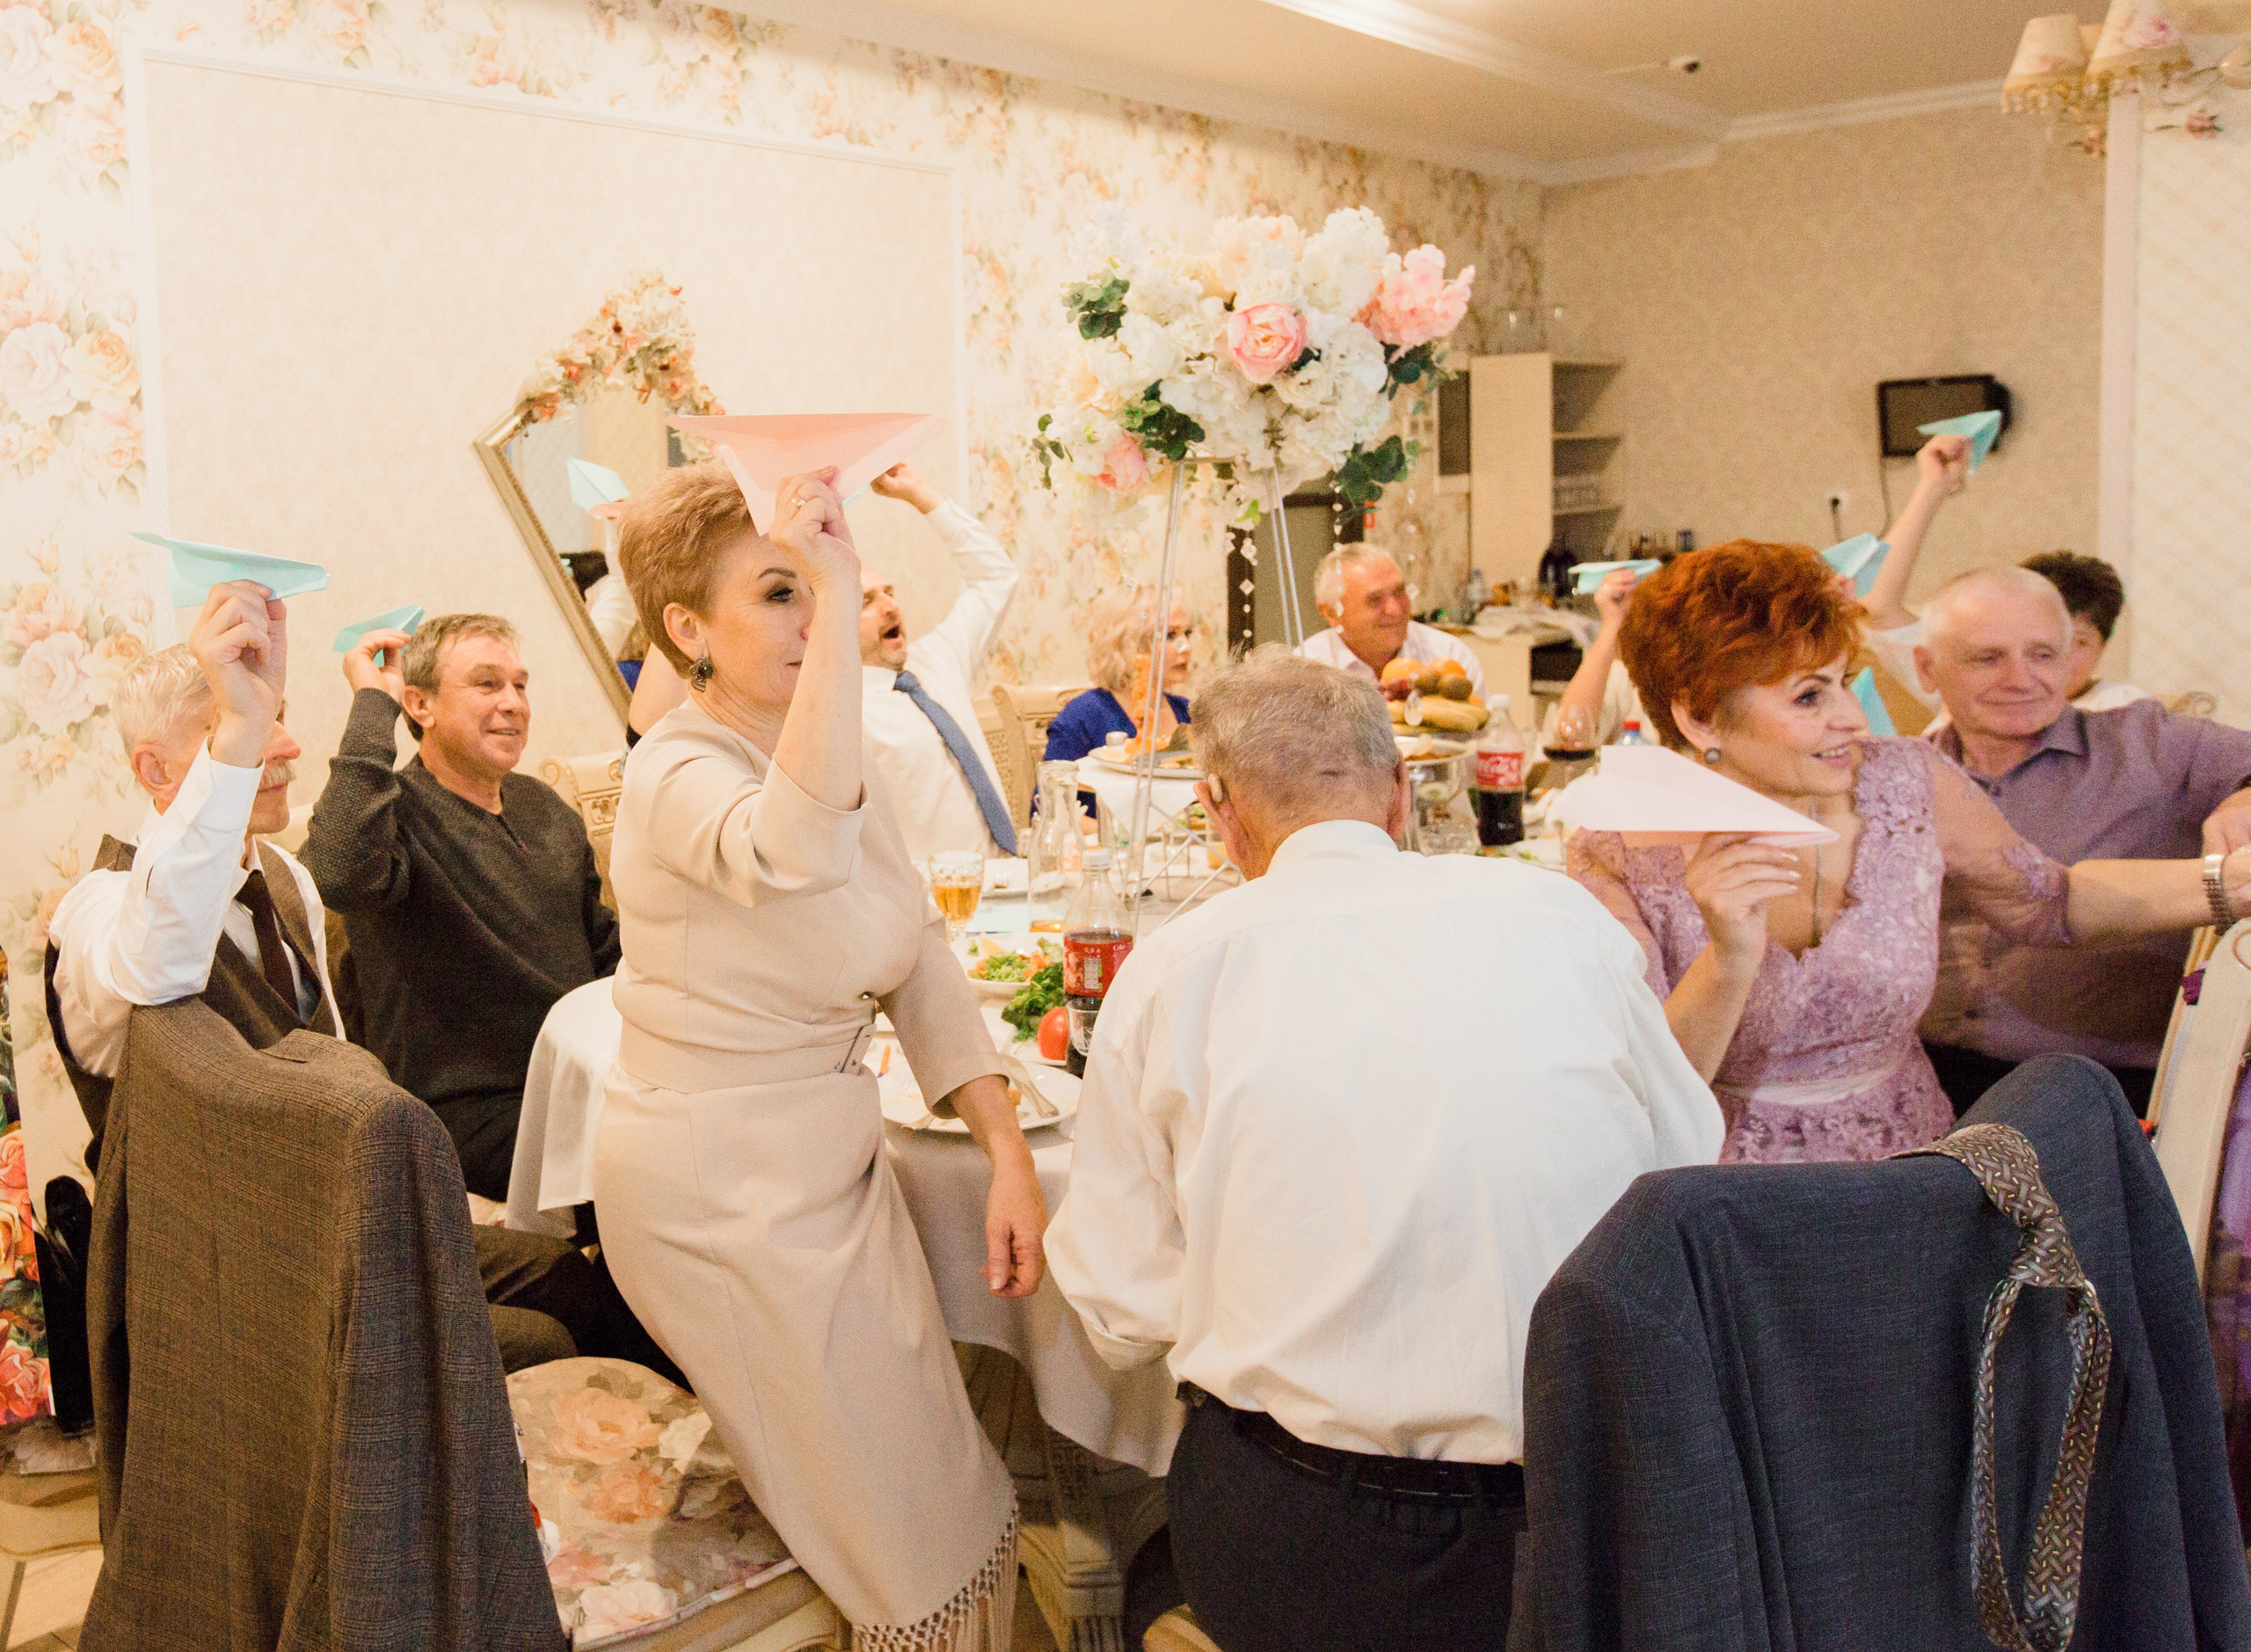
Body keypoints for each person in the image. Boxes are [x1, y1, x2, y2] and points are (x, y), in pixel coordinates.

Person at [1046, 648, 1719, 1652]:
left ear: (1219, 813)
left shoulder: (1177, 966)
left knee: (1177, 1519)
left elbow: (1119, 1294)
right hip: (1602, 1490)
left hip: (1321, 1517)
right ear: (1401, 792)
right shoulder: (1555, 914)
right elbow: (1680, 1159)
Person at [594, 459, 1043, 1650]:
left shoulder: (828, 750)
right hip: (718, 1193)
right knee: (911, 1528)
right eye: (781, 591)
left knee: (948, 1475)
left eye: (817, 586)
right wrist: (846, 606)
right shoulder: (671, 769)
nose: (814, 612)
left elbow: (917, 953)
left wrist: (1004, 1146)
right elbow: (787, 849)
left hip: (825, 1166)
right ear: (687, 628)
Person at [42, 590, 625, 1373]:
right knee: (542, 1338)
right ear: (155, 768)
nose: (282, 743)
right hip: (230, 1262)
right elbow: (163, 960)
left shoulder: (283, 878)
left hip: (345, 1211)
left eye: (274, 714)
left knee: (570, 1281)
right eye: (236, 724)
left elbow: (345, 1063)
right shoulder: (95, 912)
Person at [1566, 541, 2251, 1163]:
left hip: (1913, 1168)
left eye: (1841, 682)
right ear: (1698, 715)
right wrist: (1729, 961)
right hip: (1724, 1196)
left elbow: (2053, 900)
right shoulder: (1616, 848)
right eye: (1810, 696)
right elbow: (1643, 1099)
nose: (1853, 718)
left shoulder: (1906, 779)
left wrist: (2227, 882)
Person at [1907, 566, 2251, 1116]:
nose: (2020, 679)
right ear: (1927, 668)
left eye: (2042, 655)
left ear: (2072, 660)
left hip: (2111, 1091)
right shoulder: (1901, 773)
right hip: (1926, 1080)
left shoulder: (2150, 745)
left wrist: (2243, 798)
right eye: (1987, 658)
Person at [302, 612, 618, 1203]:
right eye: (486, 684)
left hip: (581, 1078)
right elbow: (336, 872)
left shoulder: (545, 809)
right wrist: (375, 703)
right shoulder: (394, 816)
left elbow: (605, 950)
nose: (514, 703)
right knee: (655, 1152)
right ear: (420, 705)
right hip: (469, 1114)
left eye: (520, 685)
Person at [1860, 437, 2150, 717]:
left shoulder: (2124, 711)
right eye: (2043, 640)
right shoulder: (1978, 687)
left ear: (2103, 648)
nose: (2057, 655)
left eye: (2079, 641)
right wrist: (1933, 487)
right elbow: (1875, 604)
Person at [856, 462, 1021, 867]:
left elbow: (996, 578)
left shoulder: (936, 660)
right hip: (930, 907)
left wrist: (919, 492)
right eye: (866, 601)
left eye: (889, 592)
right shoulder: (840, 714)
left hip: (1008, 881)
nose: (891, 606)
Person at [1295, 543, 1482, 695]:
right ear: (1331, 612)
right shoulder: (1304, 672)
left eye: (1399, 592)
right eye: (1375, 600)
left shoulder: (1449, 655)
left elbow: (1489, 738)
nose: (1395, 609)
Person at [1043, 585, 1193, 764]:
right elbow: (1052, 790)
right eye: (1170, 635)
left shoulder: (1190, 712)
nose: (1186, 647)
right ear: (1128, 643)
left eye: (1187, 633)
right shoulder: (1083, 718)